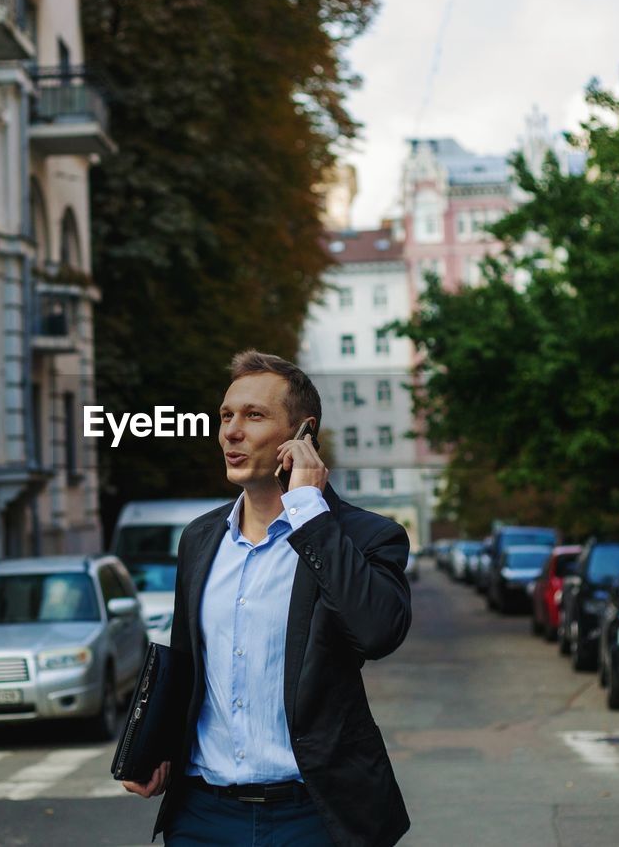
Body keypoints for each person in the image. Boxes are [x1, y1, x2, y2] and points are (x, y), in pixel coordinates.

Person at [122, 350, 412, 846]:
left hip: (315, 816)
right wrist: (156, 747)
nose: (232, 432)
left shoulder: (364, 536)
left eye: (254, 416)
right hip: (203, 815)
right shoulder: (200, 539)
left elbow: (377, 632)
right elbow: (189, 660)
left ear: (303, 432)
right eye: (226, 416)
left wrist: (308, 510)